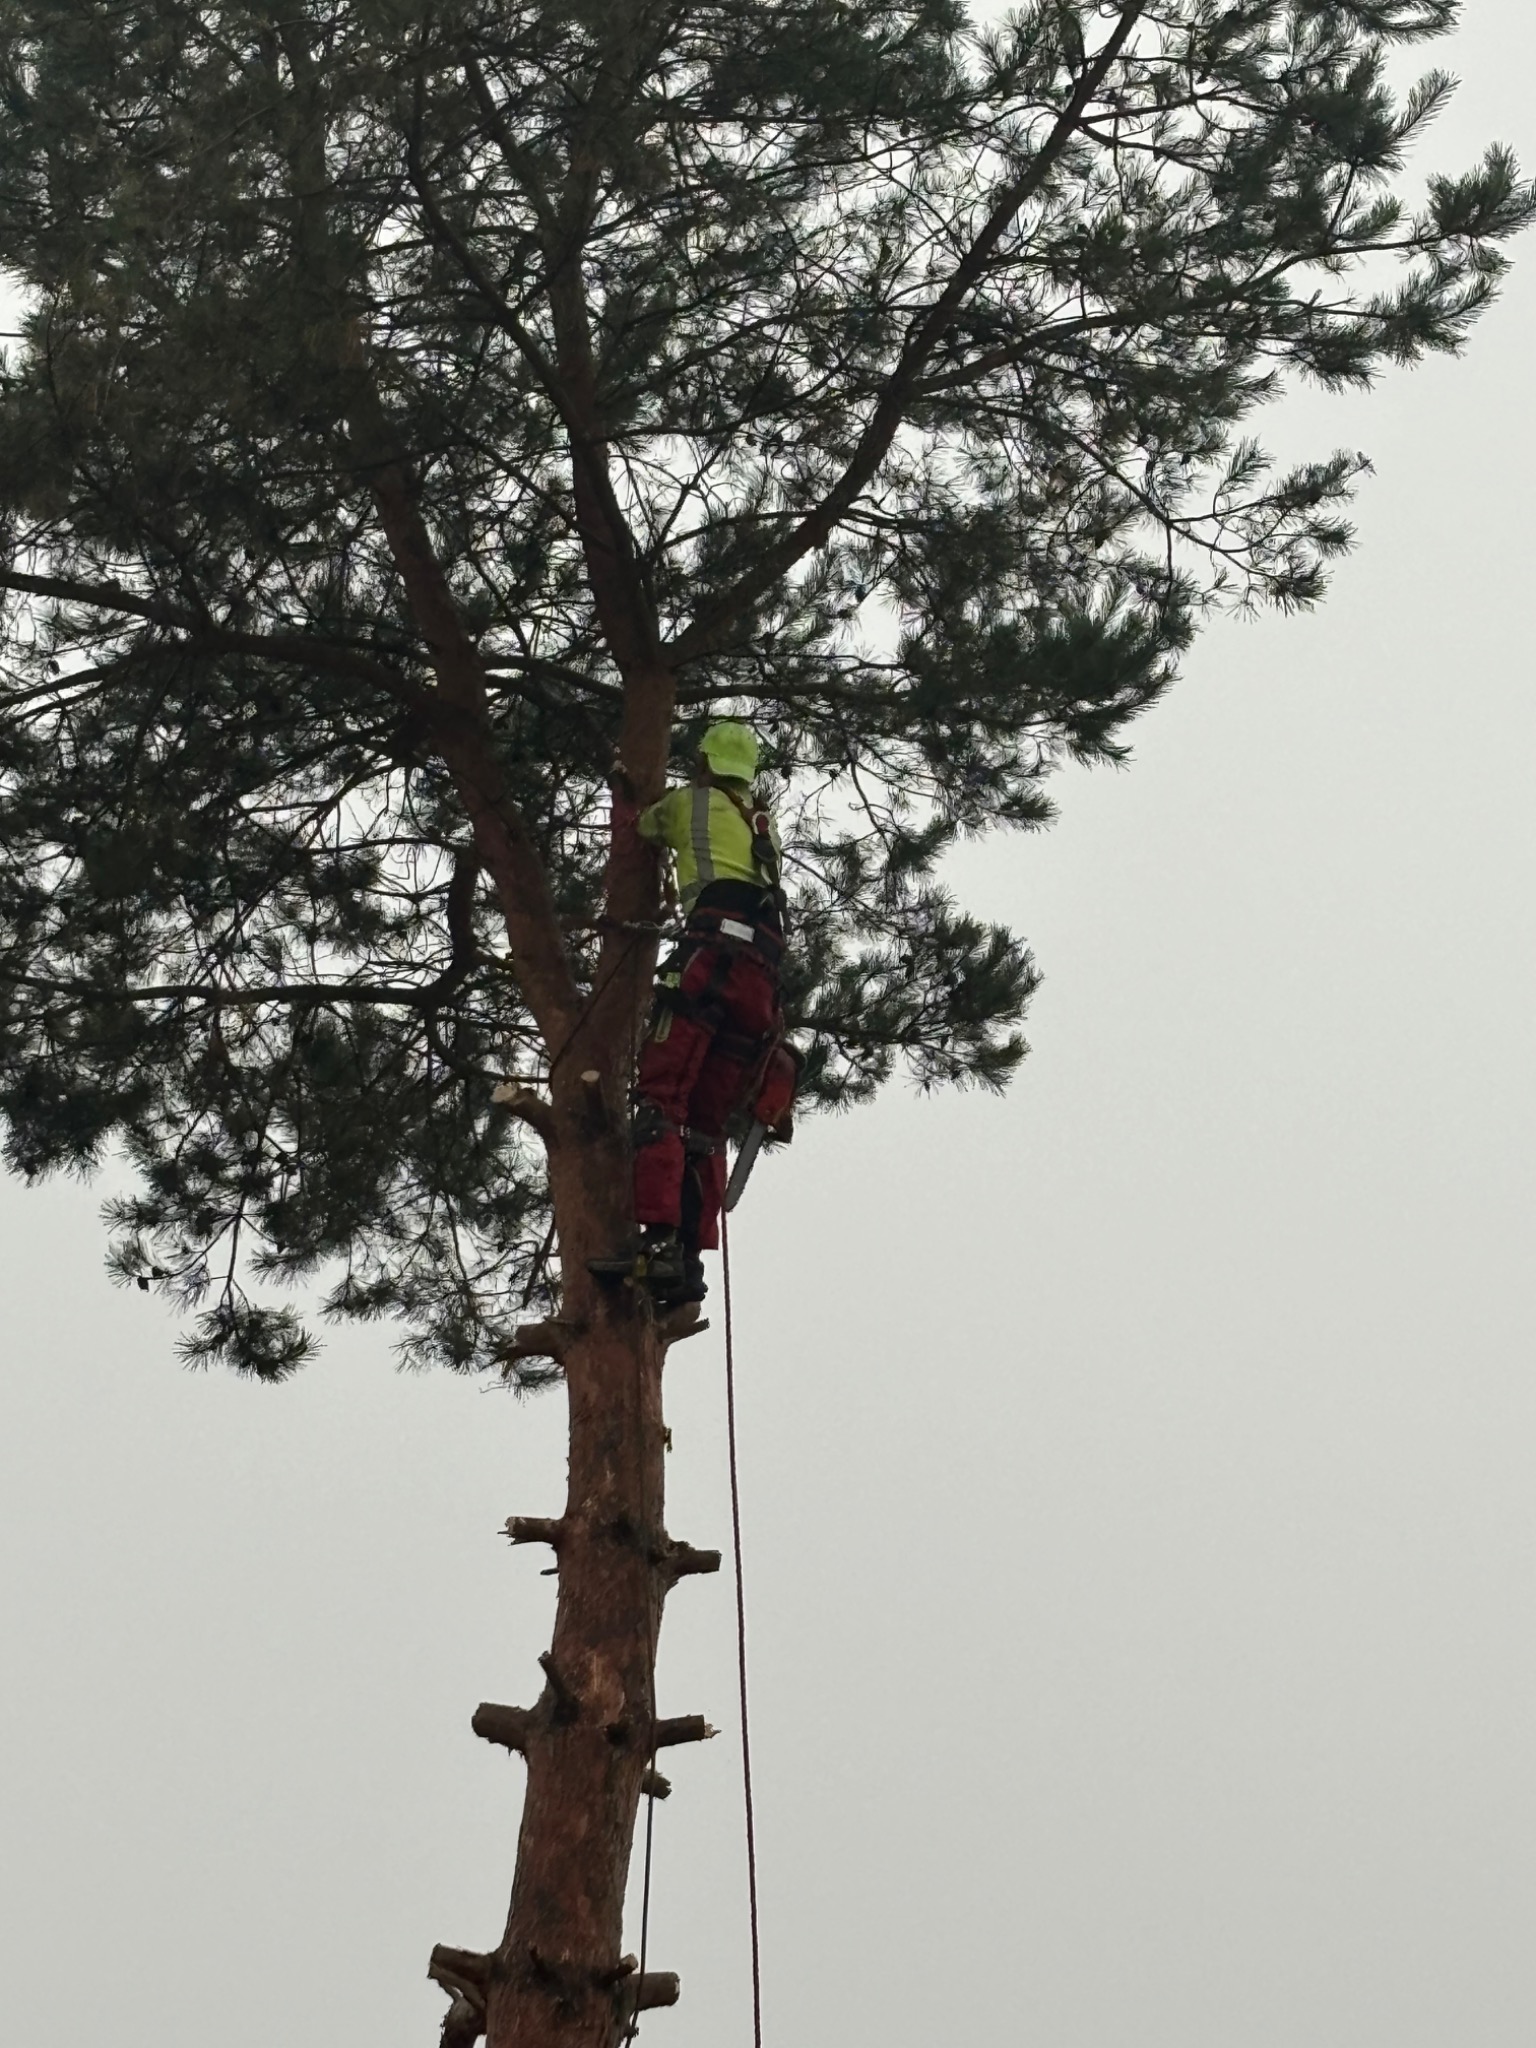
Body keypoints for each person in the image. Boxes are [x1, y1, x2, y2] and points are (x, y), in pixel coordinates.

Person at [590, 720, 786, 1306]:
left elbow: (641, 828)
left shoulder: (691, 803)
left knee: (661, 1101)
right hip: (762, 986)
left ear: (702, 762)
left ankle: (657, 1248)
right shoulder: (761, 826)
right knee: (702, 1127)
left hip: (710, 965)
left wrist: (626, 800)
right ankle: (690, 1268)